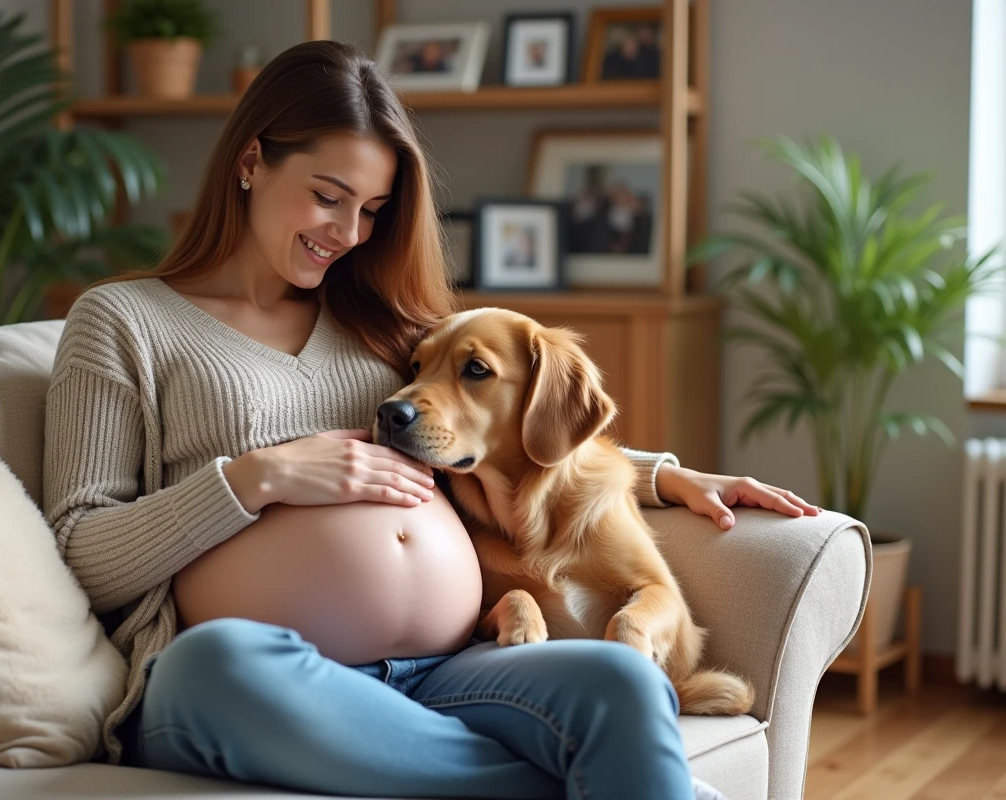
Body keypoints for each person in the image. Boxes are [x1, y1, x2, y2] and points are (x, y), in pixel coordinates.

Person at [42, 40, 819, 800]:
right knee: (222, 665)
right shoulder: (123, 322)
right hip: (248, 677)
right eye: (326, 195)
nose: (347, 234)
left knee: (617, 677)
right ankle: (612, 773)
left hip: (449, 666)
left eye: (372, 210)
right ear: (250, 161)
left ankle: (604, 758)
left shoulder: (380, 323)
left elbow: (503, 424)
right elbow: (79, 549)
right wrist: (260, 477)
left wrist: (663, 475)